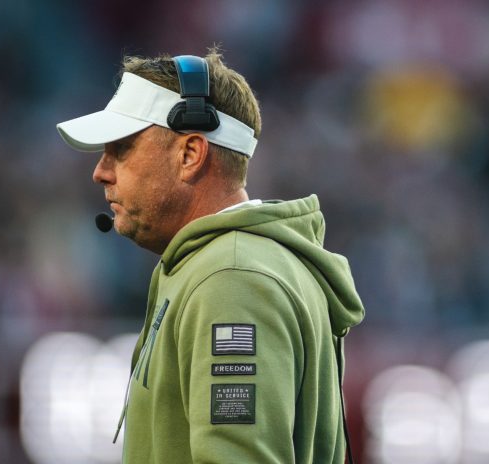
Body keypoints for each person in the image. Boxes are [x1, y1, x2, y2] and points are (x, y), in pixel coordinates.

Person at [56, 49, 365, 463]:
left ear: (190, 154)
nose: (101, 171)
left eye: (122, 148)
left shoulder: (231, 278)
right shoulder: (239, 264)